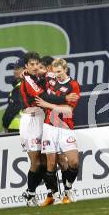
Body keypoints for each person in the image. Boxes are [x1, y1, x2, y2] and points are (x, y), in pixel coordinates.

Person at [20, 52, 77, 207]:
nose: (35, 67)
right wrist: (65, 98)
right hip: (31, 120)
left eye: (37, 64)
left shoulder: (42, 75)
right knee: (38, 162)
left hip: (45, 118)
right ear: (26, 66)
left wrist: (47, 72)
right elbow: (44, 97)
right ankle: (31, 193)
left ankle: (59, 193)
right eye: (31, 64)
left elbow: (55, 75)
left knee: (51, 160)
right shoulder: (28, 79)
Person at [36, 58, 81, 206]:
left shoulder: (73, 85)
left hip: (65, 127)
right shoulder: (51, 78)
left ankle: (68, 188)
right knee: (50, 162)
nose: (58, 75)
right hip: (49, 126)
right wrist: (27, 73)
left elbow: (68, 109)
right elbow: (42, 71)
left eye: (60, 72)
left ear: (66, 70)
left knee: (73, 162)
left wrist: (46, 104)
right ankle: (55, 194)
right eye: (55, 72)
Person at [2, 59, 24, 133]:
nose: (14, 71)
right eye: (14, 68)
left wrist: (5, 124)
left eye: (17, 68)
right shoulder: (26, 85)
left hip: (17, 128)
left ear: (25, 70)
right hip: (24, 127)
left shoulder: (21, 87)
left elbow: (12, 109)